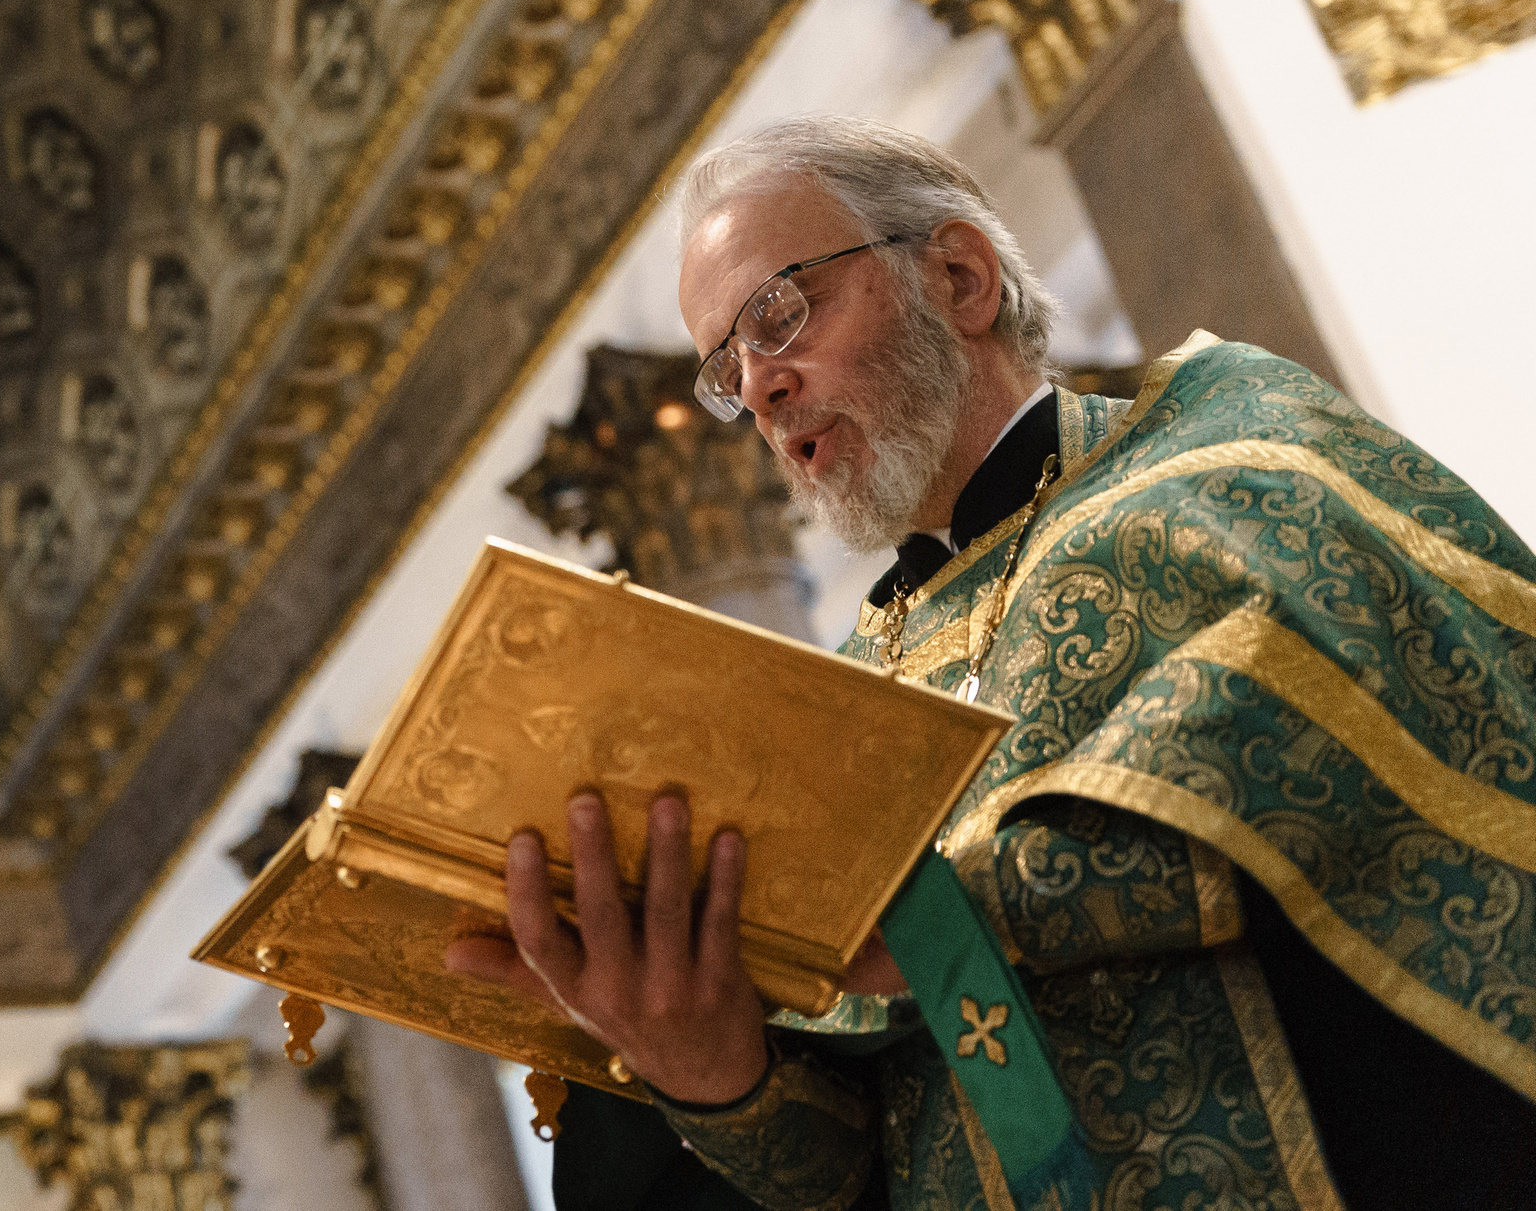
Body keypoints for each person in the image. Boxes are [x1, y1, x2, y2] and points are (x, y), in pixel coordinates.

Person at [447, 116, 1536, 1209]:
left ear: (959, 277)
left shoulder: (1222, 453)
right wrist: (709, 1072)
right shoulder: (835, 707)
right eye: (728, 369)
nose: (762, 389)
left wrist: (922, 924)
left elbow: (1322, 735)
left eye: (777, 316)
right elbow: (848, 1163)